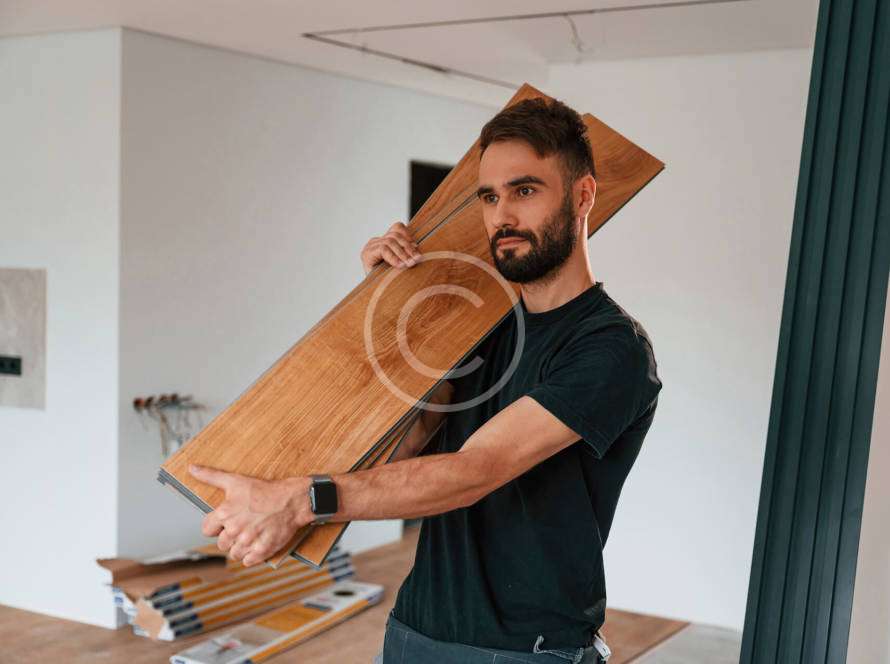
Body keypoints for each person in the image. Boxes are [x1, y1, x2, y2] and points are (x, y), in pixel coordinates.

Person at [188, 97, 662, 664]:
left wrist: (300, 501)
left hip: (526, 649)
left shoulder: (610, 349)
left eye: (524, 190)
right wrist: (391, 301)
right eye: (489, 197)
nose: (502, 216)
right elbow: (411, 441)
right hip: (415, 627)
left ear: (583, 196)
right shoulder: (483, 327)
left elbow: (474, 471)